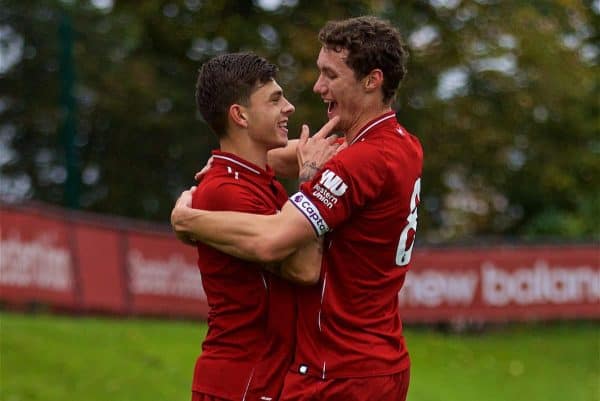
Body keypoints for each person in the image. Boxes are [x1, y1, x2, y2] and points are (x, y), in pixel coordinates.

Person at [172, 16, 423, 401]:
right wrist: (236, 161)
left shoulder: (358, 161)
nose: (317, 86)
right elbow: (289, 156)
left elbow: (280, 246)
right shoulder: (401, 144)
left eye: (330, 75)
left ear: (372, 80)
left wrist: (188, 220)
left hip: (338, 369)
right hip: (378, 358)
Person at [185, 52, 340, 401]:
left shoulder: (255, 176)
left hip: (262, 379)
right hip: (240, 383)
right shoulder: (225, 190)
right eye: (274, 100)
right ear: (239, 116)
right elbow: (304, 269)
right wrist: (310, 182)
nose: (289, 108)